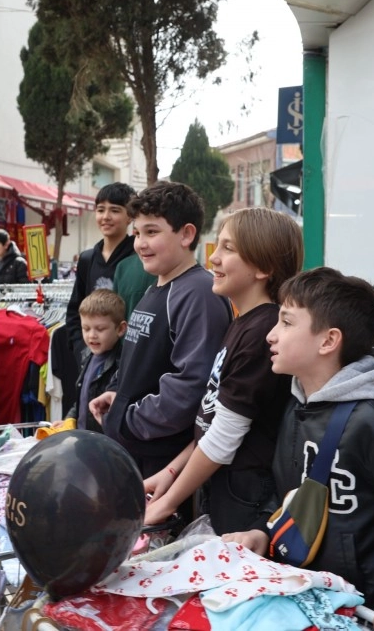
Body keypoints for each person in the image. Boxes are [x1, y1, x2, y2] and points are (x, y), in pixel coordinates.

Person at [224, 267, 374, 630]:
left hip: (365, 613)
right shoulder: (297, 405)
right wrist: (262, 530)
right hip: (309, 604)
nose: (271, 335)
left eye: (286, 323)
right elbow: (295, 497)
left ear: (328, 341)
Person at [142, 208, 302, 534]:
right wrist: (170, 474)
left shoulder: (263, 331)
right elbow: (210, 420)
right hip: (221, 488)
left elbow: (224, 437)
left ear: (264, 267)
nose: (214, 257)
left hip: (245, 499)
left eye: (228, 249)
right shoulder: (243, 321)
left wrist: (168, 502)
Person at [91, 181, 233, 481]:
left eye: (152, 232)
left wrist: (129, 420)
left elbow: (192, 383)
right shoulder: (156, 287)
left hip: (160, 457)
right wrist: (116, 393)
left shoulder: (199, 293)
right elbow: (139, 360)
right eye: (137, 233)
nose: (140, 243)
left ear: (186, 234)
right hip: (136, 447)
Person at [65, 182, 149, 364]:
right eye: (101, 210)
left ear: (130, 217)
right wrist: (82, 348)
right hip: (92, 358)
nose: (106, 217)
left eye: (115, 210)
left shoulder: (141, 258)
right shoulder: (87, 259)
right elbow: (74, 310)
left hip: (127, 358)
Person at [62, 289, 127, 432]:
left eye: (100, 329)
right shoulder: (87, 356)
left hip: (102, 443)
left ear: (121, 329)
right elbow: (82, 399)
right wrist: (68, 420)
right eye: (85, 329)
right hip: (84, 439)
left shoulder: (122, 364)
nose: (92, 336)